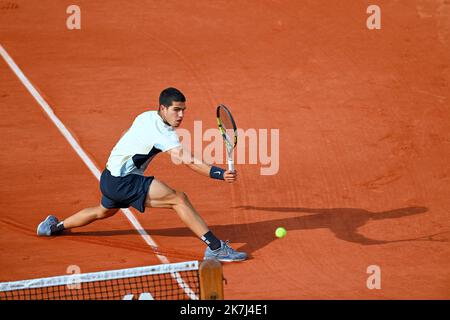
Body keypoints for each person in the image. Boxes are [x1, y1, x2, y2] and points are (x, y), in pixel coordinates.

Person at [37, 87, 247, 262]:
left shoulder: (146, 116)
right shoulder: (163, 133)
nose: (181, 115)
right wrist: (219, 173)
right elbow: (188, 160)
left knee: (102, 212)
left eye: (183, 110)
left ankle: (53, 227)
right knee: (178, 199)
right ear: (163, 108)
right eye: (176, 110)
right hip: (123, 181)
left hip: (109, 178)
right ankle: (216, 247)